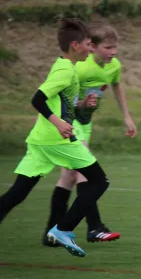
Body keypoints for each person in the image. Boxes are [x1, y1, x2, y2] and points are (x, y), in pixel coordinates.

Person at [0, 18, 110, 257]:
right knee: (99, 181)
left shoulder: (64, 67)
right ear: (74, 45)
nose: (91, 49)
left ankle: (61, 229)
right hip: (57, 140)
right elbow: (37, 99)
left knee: (18, 192)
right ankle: (63, 229)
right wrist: (59, 122)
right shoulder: (64, 70)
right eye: (87, 44)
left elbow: (59, 101)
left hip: (41, 140)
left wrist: (81, 104)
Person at [43, 24, 136, 247]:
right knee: (86, 174)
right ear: (92, 47)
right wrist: (80, 103)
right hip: (69, 121)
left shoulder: (114, 66)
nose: (113, 52)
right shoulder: (81, 68)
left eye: (115, 47)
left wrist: (127, 116)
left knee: (69, 177)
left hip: (85, 123)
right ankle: (95, 227)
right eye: (108, 47)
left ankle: (51, 232)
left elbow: (116, 86)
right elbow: (59, 97)